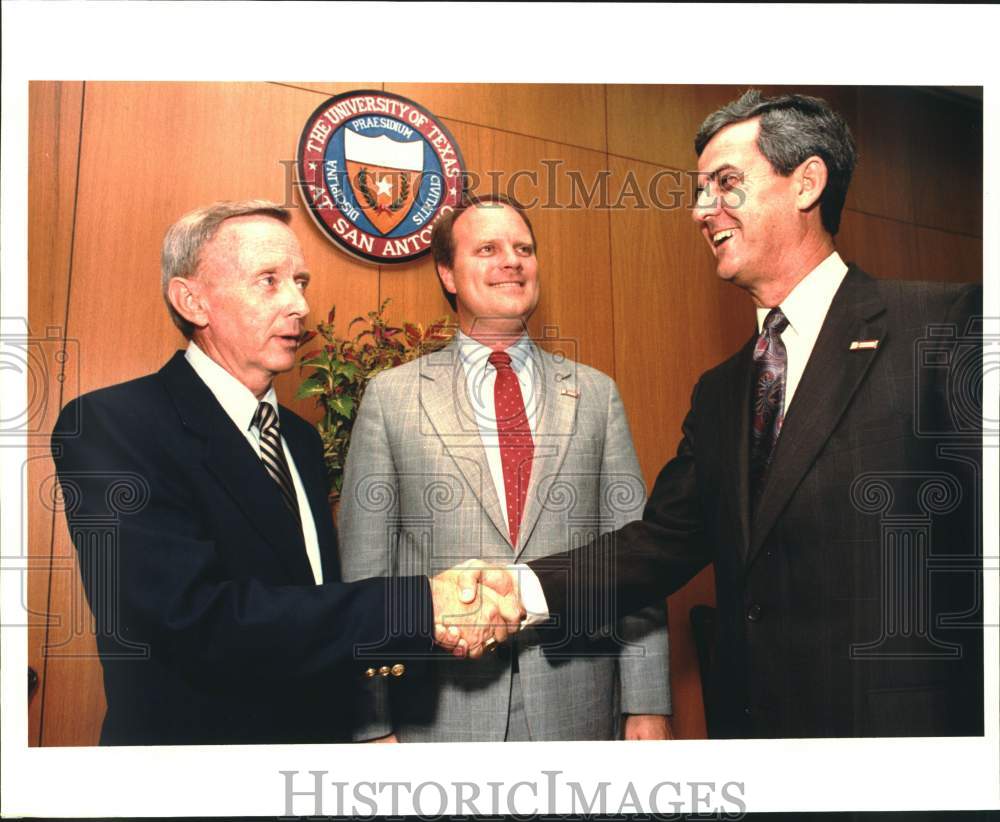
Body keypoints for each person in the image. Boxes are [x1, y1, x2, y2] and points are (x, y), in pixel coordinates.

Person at [471, 91, 984, 739]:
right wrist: (519, 589)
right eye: (698, 190)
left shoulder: (943, 328)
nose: (699, 211)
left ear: (807, 183)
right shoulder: (721, 391)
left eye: (726, 184)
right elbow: (660, 544)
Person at [50, 200, 522, 746]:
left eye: (300, 281)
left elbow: (312, 605)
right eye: (268, 281)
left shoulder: (297, 438)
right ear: (192, 300)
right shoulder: (111, 425)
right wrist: (421, 604)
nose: (299, 303)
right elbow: (191, 621)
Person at [338, 194, 673, 742]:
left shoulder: (594, 395)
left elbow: (633, 558)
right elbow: (367, 573)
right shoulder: (391, 398)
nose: (511, 261)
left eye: (524, 248)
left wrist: (647, 704)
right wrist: (372, 725)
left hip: (579, 710)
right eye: (488, 249)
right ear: (447, 273)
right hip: (439, 716)